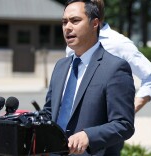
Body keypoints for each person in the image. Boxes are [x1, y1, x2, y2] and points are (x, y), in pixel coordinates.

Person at [43, 0, 135, 155]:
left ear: (95, 24)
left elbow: (124, 124)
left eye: (75, 21)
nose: (68, 27)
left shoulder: (115, 68)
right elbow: (49, 113)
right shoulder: (60, 66)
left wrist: (89, 136)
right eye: (64, 22)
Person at [66, 0, 151, 113]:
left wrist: (128, 111)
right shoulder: (72, 45)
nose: (68, 26)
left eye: (76, 20)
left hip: (103, 127)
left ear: (95, 20)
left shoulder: (118, 44)